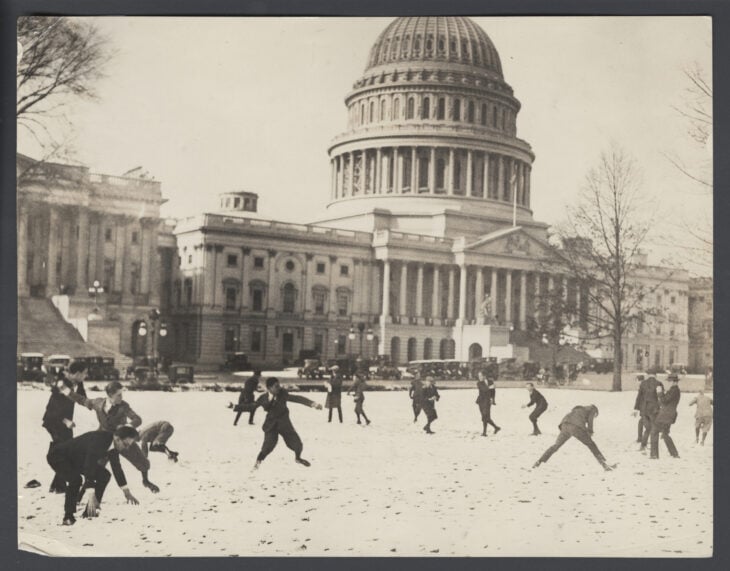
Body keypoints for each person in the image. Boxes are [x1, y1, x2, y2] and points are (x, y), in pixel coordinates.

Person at [58, 380, 159, 493]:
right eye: (119, 395)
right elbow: (81, 400)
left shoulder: (124, 406)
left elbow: (137, 419)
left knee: (142, 462)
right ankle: (81, 494)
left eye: (122, 394)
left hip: (122, 439)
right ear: (110, 395)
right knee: (96, 466)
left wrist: (127, 426)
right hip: (103, 440)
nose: (121, 397)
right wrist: (66, 391)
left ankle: (146, 481)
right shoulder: (98, 403)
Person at [46, 425, 141, 526]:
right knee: (76, 480)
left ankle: (90, 511)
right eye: (126, 444)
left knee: (104, 475)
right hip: (58, 457)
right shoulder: (99, 441)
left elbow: (117, 468)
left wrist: (126, 492)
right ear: (117, 439)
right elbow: (89, 466)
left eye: (129, 445)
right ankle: (68, 517)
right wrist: (91, 493)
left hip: (76, 459)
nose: (126, 448)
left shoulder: (112, 445)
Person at [254, 378, 322, 469]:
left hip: (284, 424)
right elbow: (250, 406)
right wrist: (234, 406)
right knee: (268, 446)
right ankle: (258, 462)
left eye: (279, 385)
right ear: (269, 388)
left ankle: (298, 458)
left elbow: (297, 398)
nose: (279, 388)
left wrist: (313, 404)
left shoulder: (283, 394)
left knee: (297, 444)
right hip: (271, 425)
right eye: (276, 386)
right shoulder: (263, 398)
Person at [42, 361, 87, 493]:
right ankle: (58, 485)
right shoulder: (61, 385)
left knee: (65, 450)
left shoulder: (73, 383)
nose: (86, 376)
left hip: (63, 423)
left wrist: (80, 382)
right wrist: (65, 420)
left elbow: (82, 398)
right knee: (63, 450)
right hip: (54, 421)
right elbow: (53, 408)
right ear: (77, 373)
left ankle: (57, 485)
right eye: (84, 374)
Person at [533, 405, 615, 471]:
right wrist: (590, 431)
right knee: (591, 444)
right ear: (596, 412)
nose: (594, 416)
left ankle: (539, 461)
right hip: (576, 427)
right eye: (595, 415)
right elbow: (590, 421)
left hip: (564, 425)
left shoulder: (577, 410)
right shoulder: (592, 409)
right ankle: (603, 464)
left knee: (556, 446)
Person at [650, 375, 681, 459]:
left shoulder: (674, 390)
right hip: (669, 415)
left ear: (673, 382)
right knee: (665, 434)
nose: (667, 383)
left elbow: (664, 400)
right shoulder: (674, 390)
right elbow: (665, 402)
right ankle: (674, 453)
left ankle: (654, 455)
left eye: (668, 381)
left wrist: (659, 392)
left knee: (654, 432)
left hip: (665, 415)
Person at [634, 375, 664, 451]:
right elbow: (661, 397)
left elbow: (639, 397)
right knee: (653, 428)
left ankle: (643, 445)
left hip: (644, 409)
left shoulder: (643, 383)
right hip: (653, 409)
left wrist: (636, 409)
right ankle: (652, 448)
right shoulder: (659, 383)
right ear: (656, 375)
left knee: (648, 428)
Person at [475, 371, 500, 436]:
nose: (479, 377)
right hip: (481, 401)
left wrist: (493, 399)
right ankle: (496, 427)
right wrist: (490, 387)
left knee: (485, 416)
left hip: (488, 401)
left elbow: (493, 392)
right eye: (479, 376)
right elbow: (484, 389)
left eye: (480, 376)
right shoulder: (479, 383)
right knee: (485, 417)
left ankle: (485, 432)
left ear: (484, 376)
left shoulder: (490, 382)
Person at [632, 374, 647, 443]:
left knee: (644, 424)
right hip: (646, 408)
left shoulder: (642, 387)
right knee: (642, 423)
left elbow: (639, 399)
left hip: (645, 409)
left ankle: (641, 439)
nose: (636, 382)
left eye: (637, 380)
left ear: (639, 380)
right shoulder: (645, 386)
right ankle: (640, 438)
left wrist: (636, 409)